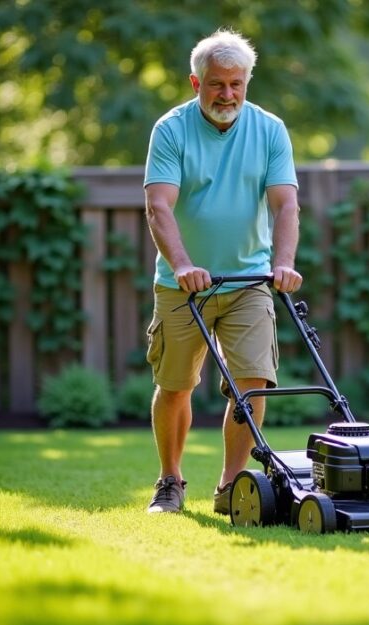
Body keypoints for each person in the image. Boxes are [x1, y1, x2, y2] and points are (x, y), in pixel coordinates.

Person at [142, 29, 302, 514]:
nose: (227, 94)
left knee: (252, 381)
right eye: (217, 84)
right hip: (182, 285)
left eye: (237, 84)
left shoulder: (270, 129)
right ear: (196, 82)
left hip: (250, 281)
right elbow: (158, 206)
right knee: (175, 387)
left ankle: (232, 486)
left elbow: (286, 205)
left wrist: (284, 264)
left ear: (248, 81)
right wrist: (183, 263)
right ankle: (170, 480)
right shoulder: (170, 130)